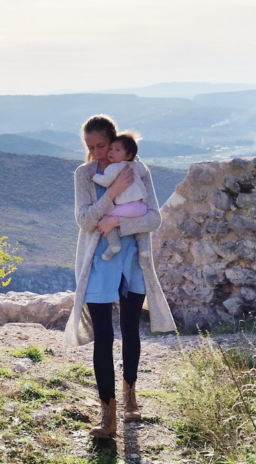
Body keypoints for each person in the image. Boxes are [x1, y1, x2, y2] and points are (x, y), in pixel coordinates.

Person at [64, 115, 176, 439]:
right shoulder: (84, 175)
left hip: (133, 261)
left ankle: (130, 396)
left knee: (130, 330)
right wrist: (111, 193)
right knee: (103, 336)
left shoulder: (139, 170)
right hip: (98, 264)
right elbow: (85, 221)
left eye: (102, 145)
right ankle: (107, 412)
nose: (97, 152)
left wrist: (117, 224)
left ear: (114, 142)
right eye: (91, 147)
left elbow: (153, 219)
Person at [92, 132, 149, 262]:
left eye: (117, 150)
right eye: (111, 149)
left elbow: (106, 181)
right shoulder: (135, 166)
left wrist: (95, 177)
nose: (111, 152)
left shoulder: (114, 167)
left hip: (127, 207)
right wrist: (134, 161)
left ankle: (114, 245)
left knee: (106, 217)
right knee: (141, 227)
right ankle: (144, 250)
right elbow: (144, 172)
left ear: (128, 155)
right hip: (141, 207)